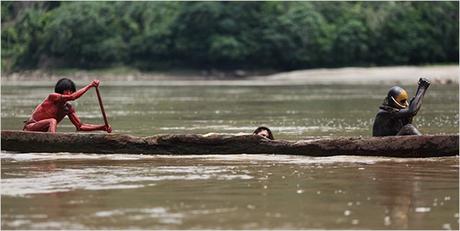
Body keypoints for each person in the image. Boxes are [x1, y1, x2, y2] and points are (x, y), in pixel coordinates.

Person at [23, 78, 112, 133]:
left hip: (44, 133)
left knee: (52, 121)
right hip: (31, 127)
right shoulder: (52, 97)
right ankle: (52, 142)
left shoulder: (67, 108)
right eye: (66, 90)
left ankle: (52, 140)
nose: (69, 93)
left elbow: (80, 126)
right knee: (52, 121)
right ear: (60, 91)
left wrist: (102, 127)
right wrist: (90, 86)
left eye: (71, 90)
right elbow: (72, 97)